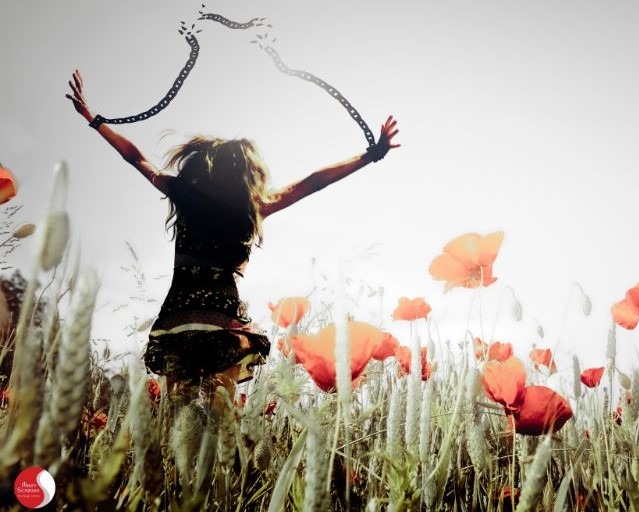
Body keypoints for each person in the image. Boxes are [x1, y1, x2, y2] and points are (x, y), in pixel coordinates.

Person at [65, 70, 400, 398]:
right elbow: (314, 182)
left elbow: (135, 158)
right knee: (222, 416)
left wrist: (93, 120)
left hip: (179, 315)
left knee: (178, 415)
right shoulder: (252, 207)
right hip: (222, 319)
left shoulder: (184, 196)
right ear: (246, 173)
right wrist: (370, 155)